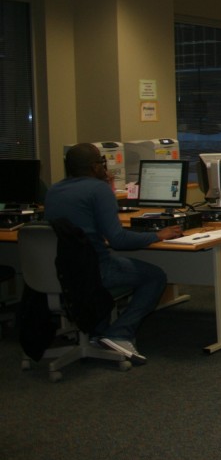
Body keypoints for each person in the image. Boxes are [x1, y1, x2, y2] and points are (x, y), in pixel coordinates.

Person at [44, 143, 182, 365]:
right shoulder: (97, 191)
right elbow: (118, 240)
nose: (105, 166)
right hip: (95, 269)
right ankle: (119, 333)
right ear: (94, 166)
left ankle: (100, 332)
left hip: (61, 271)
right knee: (155, 276)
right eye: (101, 162)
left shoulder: (54, 190)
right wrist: (158, 235)